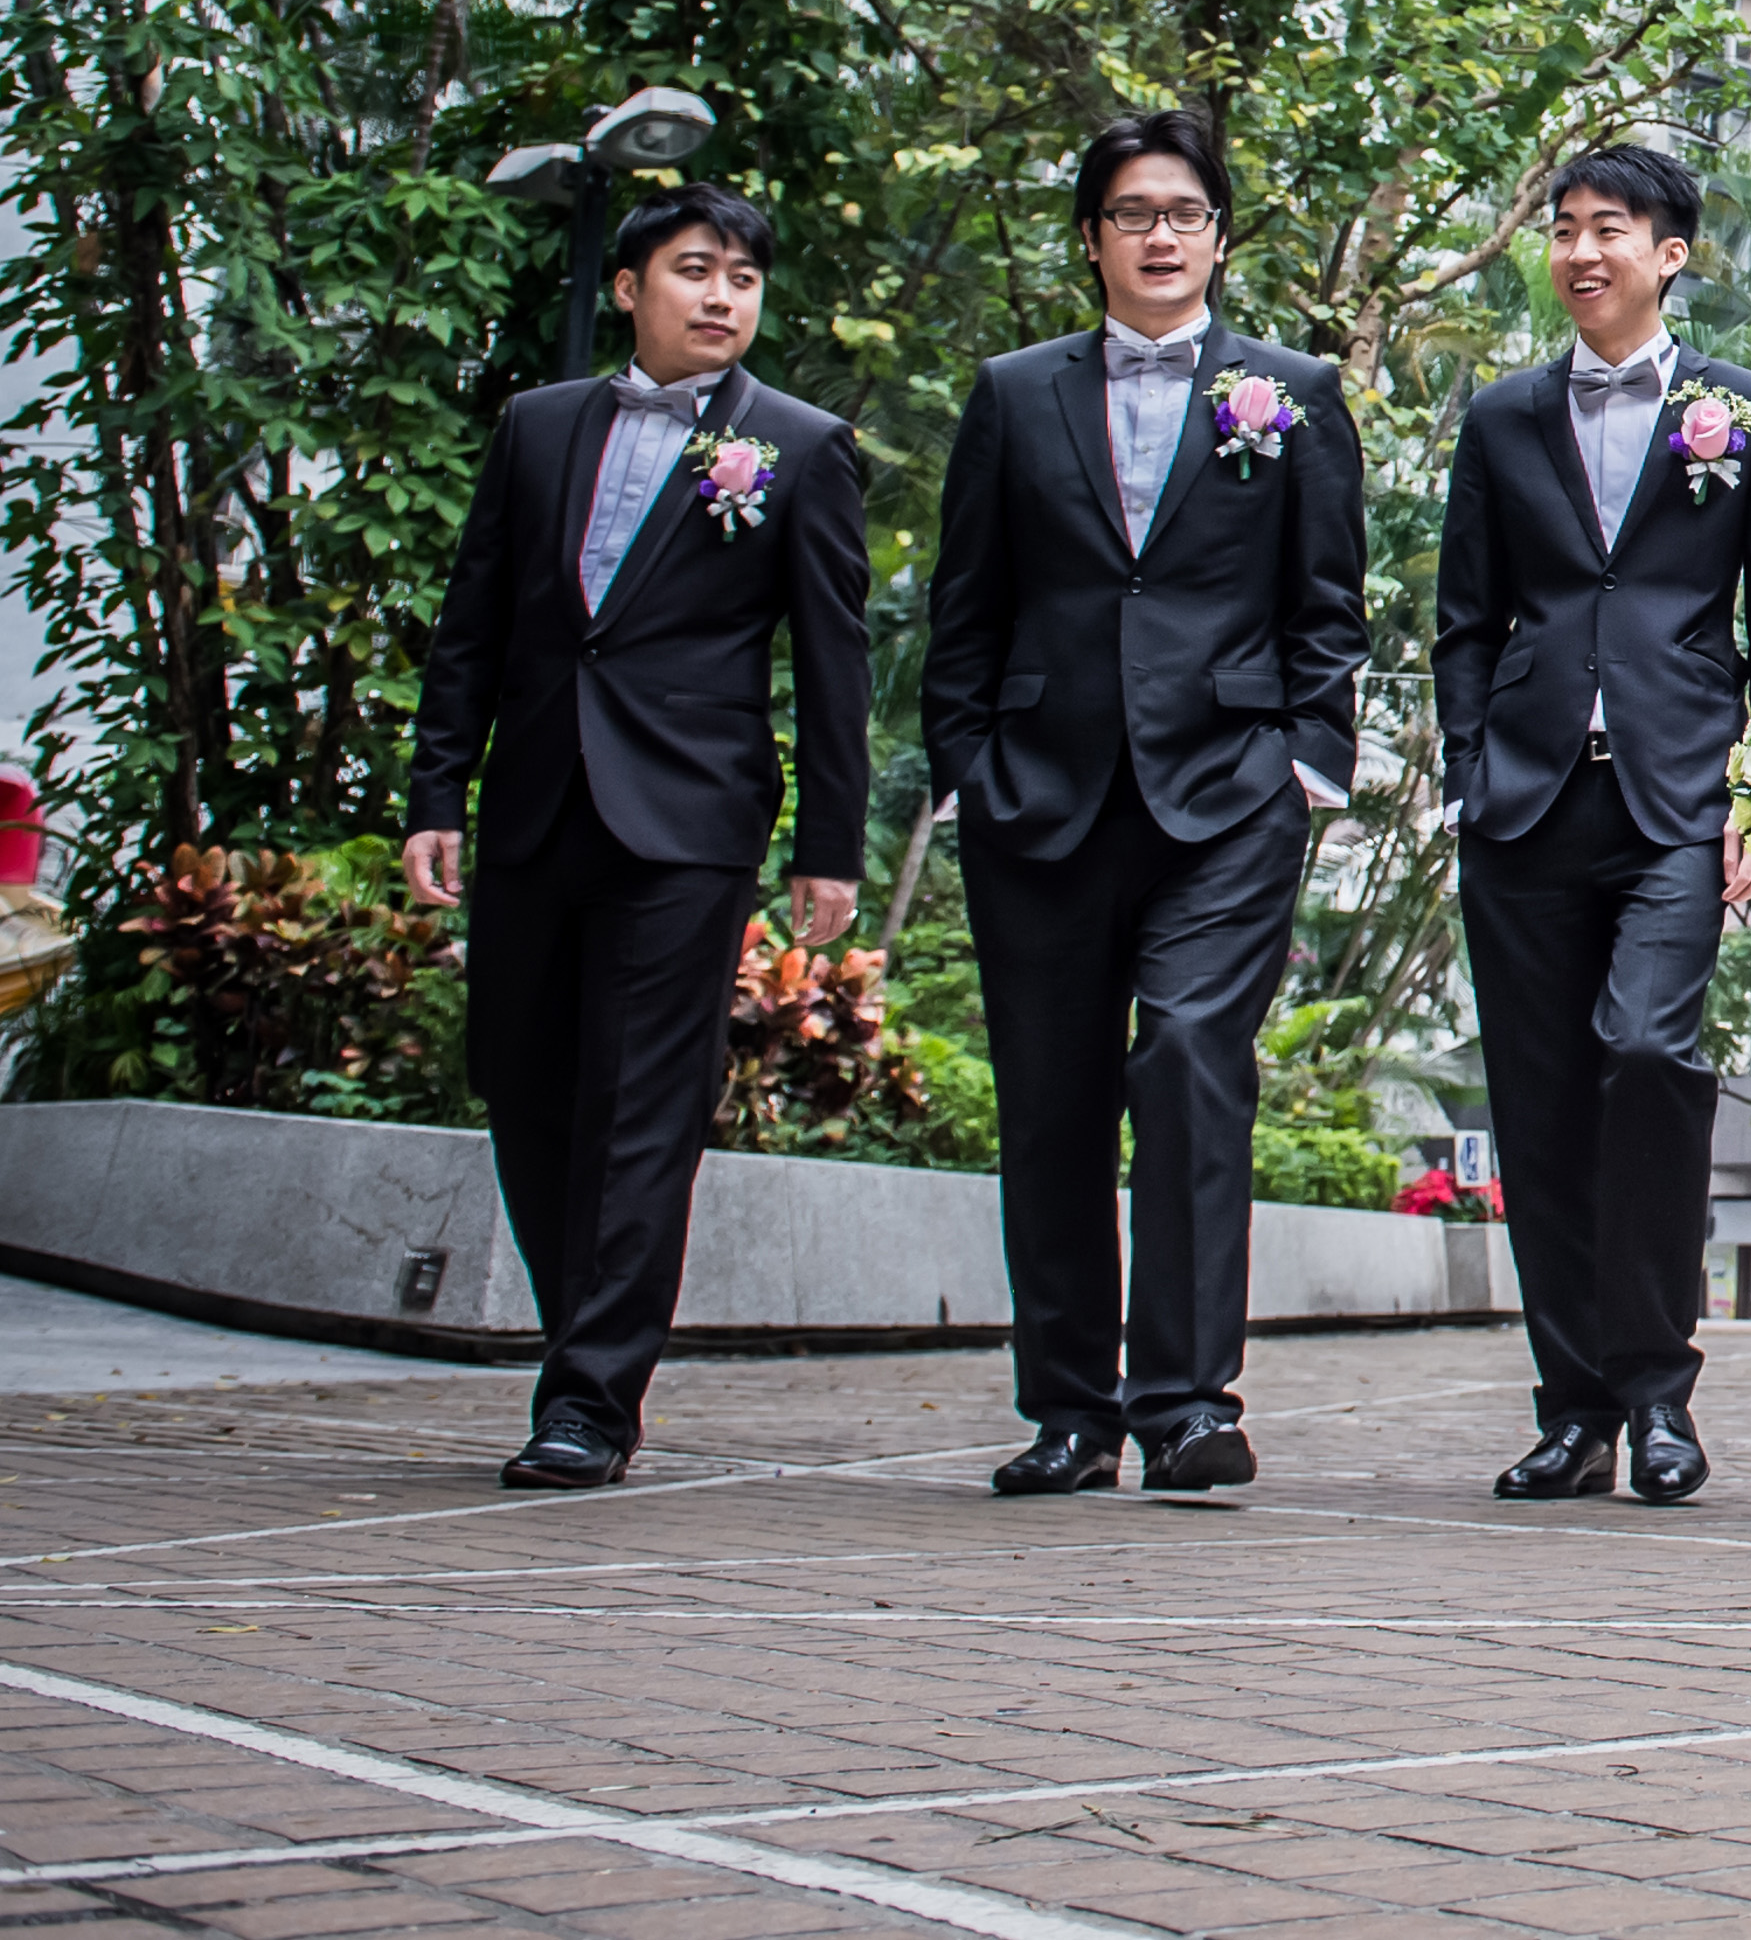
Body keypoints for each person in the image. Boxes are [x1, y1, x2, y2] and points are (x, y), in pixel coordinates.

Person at [920, 107, 1367, 1499]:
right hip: (1039, 798)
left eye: (1183, 213)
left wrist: (1307, 765)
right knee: (1049, 1100)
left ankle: (1185, 1404)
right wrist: (968, 769)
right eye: (1131, 214)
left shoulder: (1291, 391)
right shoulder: (1014, 394)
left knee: (1185, 1057)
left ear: (1219, 237)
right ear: (1091, 239)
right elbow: (965, 606)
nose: (1159, 235)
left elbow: (1327, 604)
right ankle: (1069, 1411)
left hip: (1227, 797)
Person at [404, 183, 870, 1489]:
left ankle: (591, 1402)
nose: (722, 296)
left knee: (642, 1106)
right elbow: (473, 624)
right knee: (521, 1080)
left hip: (689, 822)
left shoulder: (799, 445)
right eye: (694, 270)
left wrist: (828, 842)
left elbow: (833, 661)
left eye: (743, 279)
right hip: (535, 805)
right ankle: (585, 1343)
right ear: (628, 288)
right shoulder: (539, 426)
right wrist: (437, 793)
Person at [1432, 142, 1751, 1508]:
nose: (1582, 251)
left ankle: (1659, 1391)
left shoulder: (1743, 410)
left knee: (1647, 1055)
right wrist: (1469, 771)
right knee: (1537, 1105)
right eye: (1565, 229)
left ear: (1670, 254)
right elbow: (1465, 619)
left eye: (1610, 229)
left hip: (1681, 803)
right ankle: (1574, 1410)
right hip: (1525, 803)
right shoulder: (1502, 418)